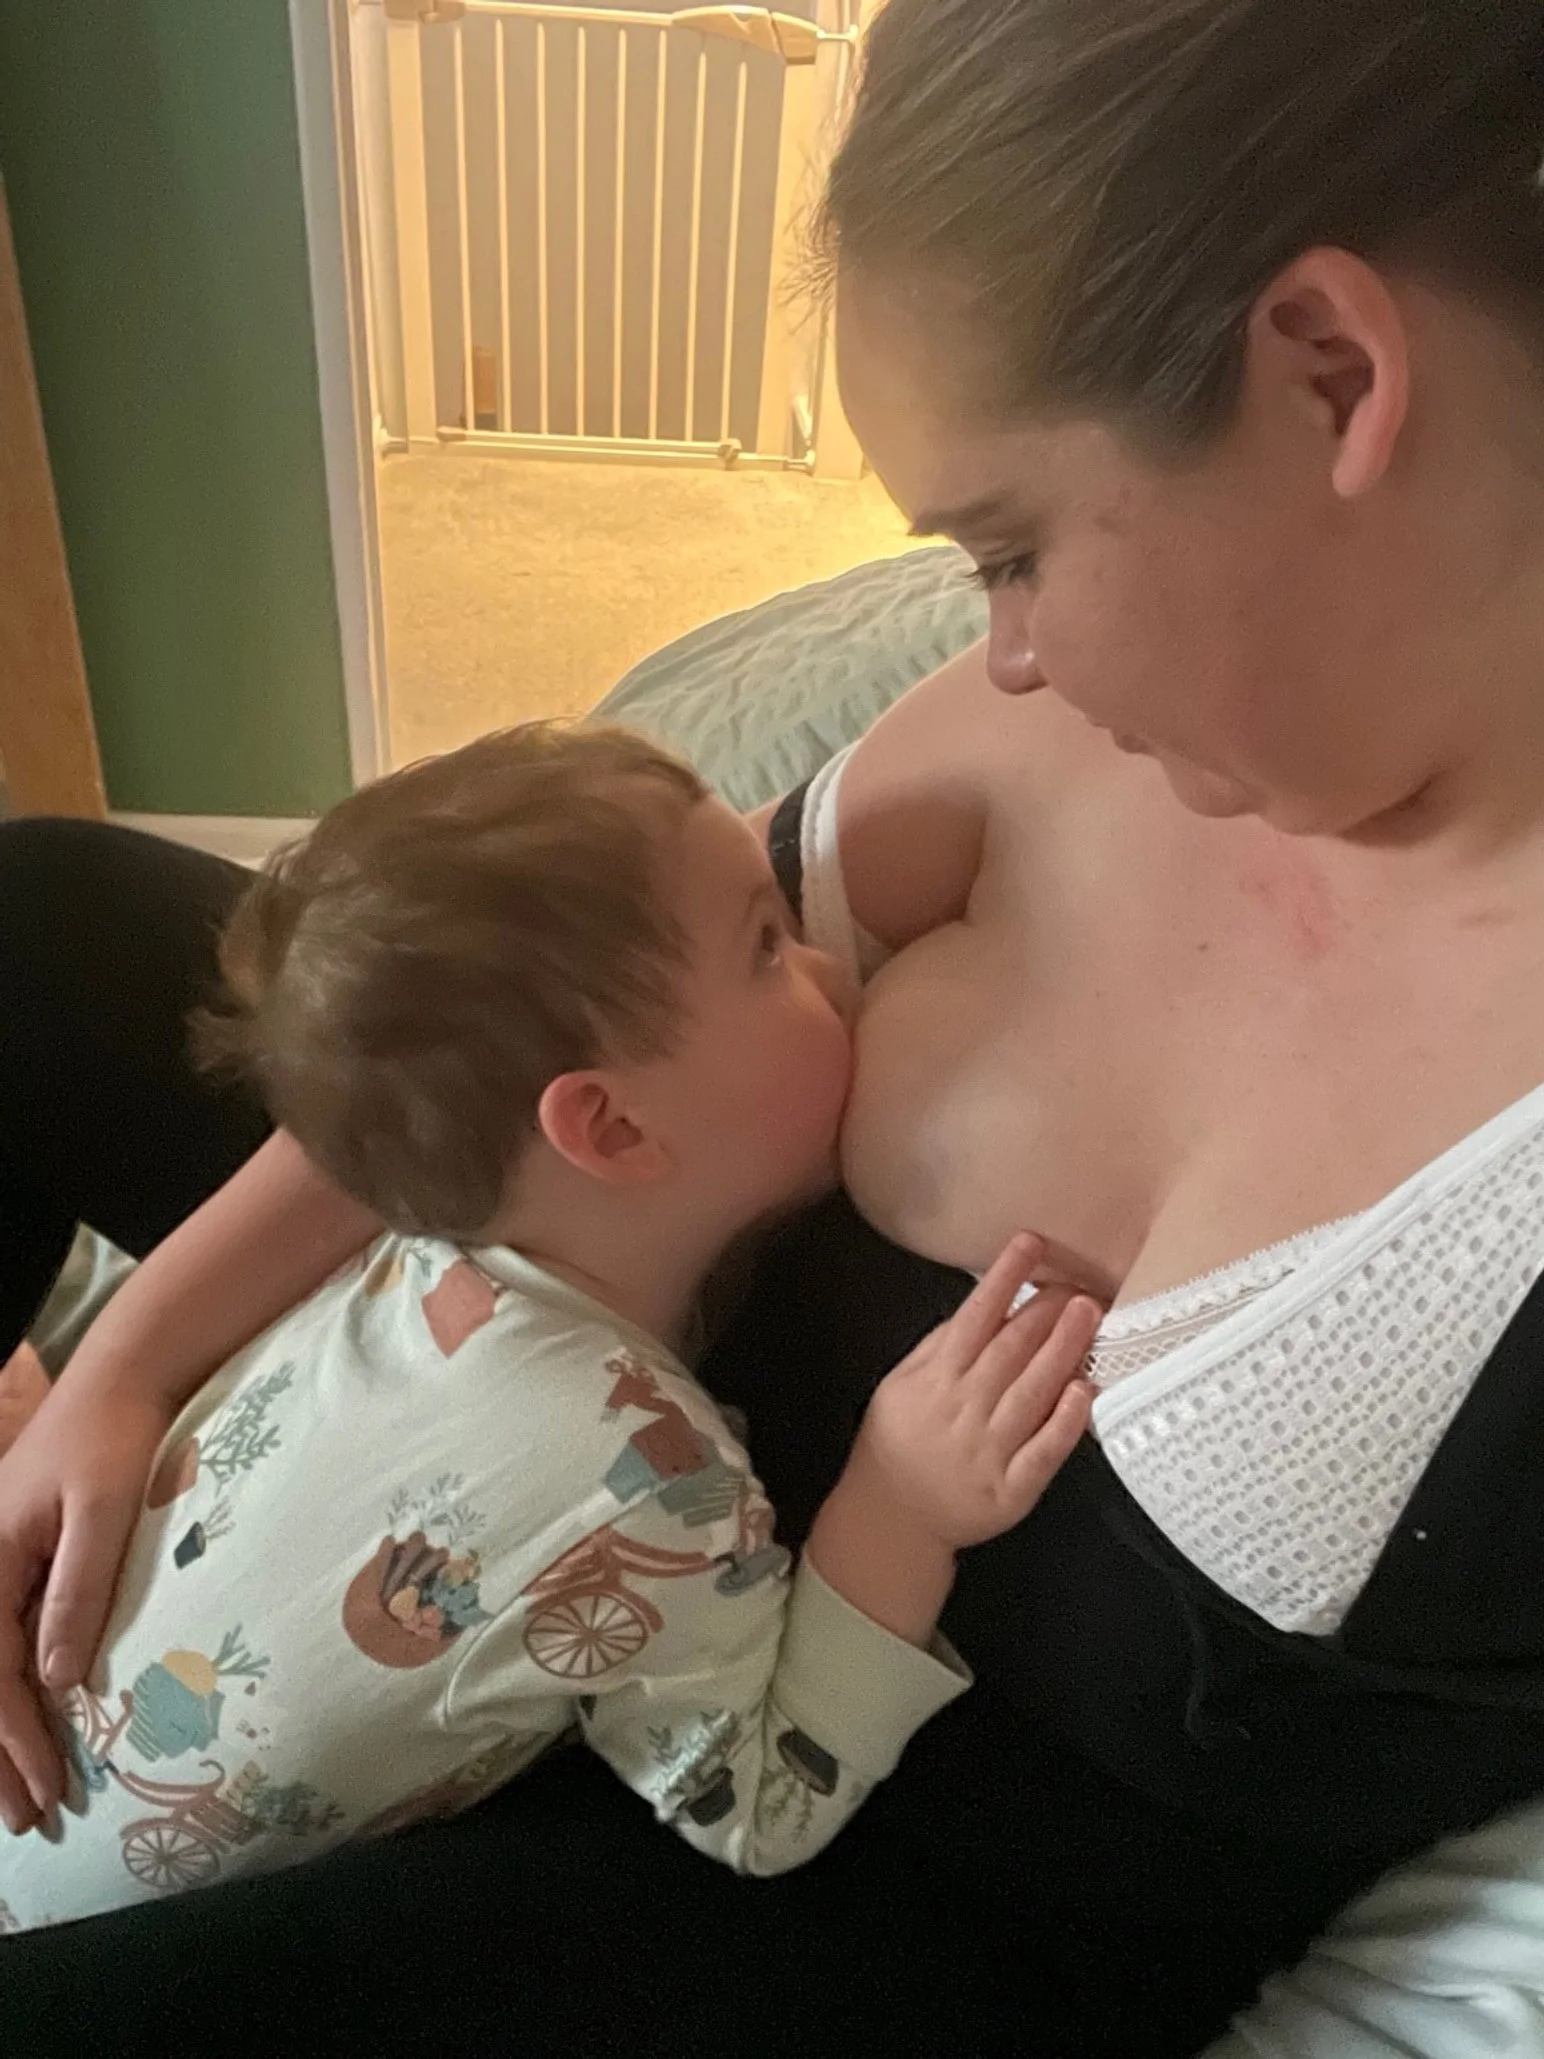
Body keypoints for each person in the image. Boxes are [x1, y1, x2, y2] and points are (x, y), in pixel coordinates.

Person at [2, 0, 1543, 2049]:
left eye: (1008, 546)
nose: (997, 652)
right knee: (39, 925)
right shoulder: (1030, 739)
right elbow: (537, 1018)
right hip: (578, 1366)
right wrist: (121, 1375)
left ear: (1329, 373)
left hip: (834, 1852)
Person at [0, 721, 1095, 1928]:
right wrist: (898, 1505)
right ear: (611, 1128)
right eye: (766, 946)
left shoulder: (395, 1258)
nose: (832, 962)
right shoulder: (648, 1484)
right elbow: (759, 1802)